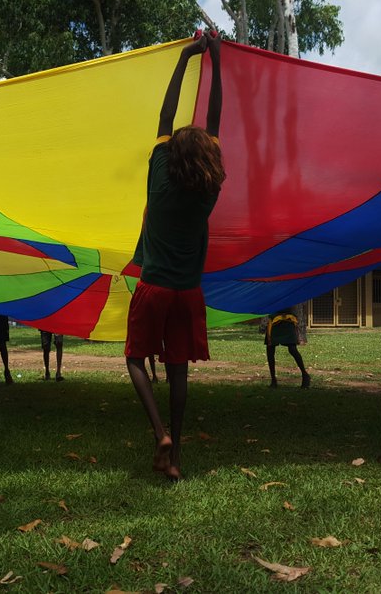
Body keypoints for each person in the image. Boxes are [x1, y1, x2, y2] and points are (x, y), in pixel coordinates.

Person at [124, 31, 223, 481]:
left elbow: (167, 112)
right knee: (178, 369)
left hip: (154, 287)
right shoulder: (208, 190)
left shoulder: (159, 176)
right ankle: (177, 452)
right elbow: (215, 120)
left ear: (172, 153)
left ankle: (159, 432)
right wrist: (217, 62)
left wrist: (187, 57)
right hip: (188, 293)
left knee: (134, 358)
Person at [262, 308, 310, 389]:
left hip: (288, 320)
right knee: (270, 350)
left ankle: (305, 375)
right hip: (274, 321)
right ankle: (273, 380)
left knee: (292, 349)